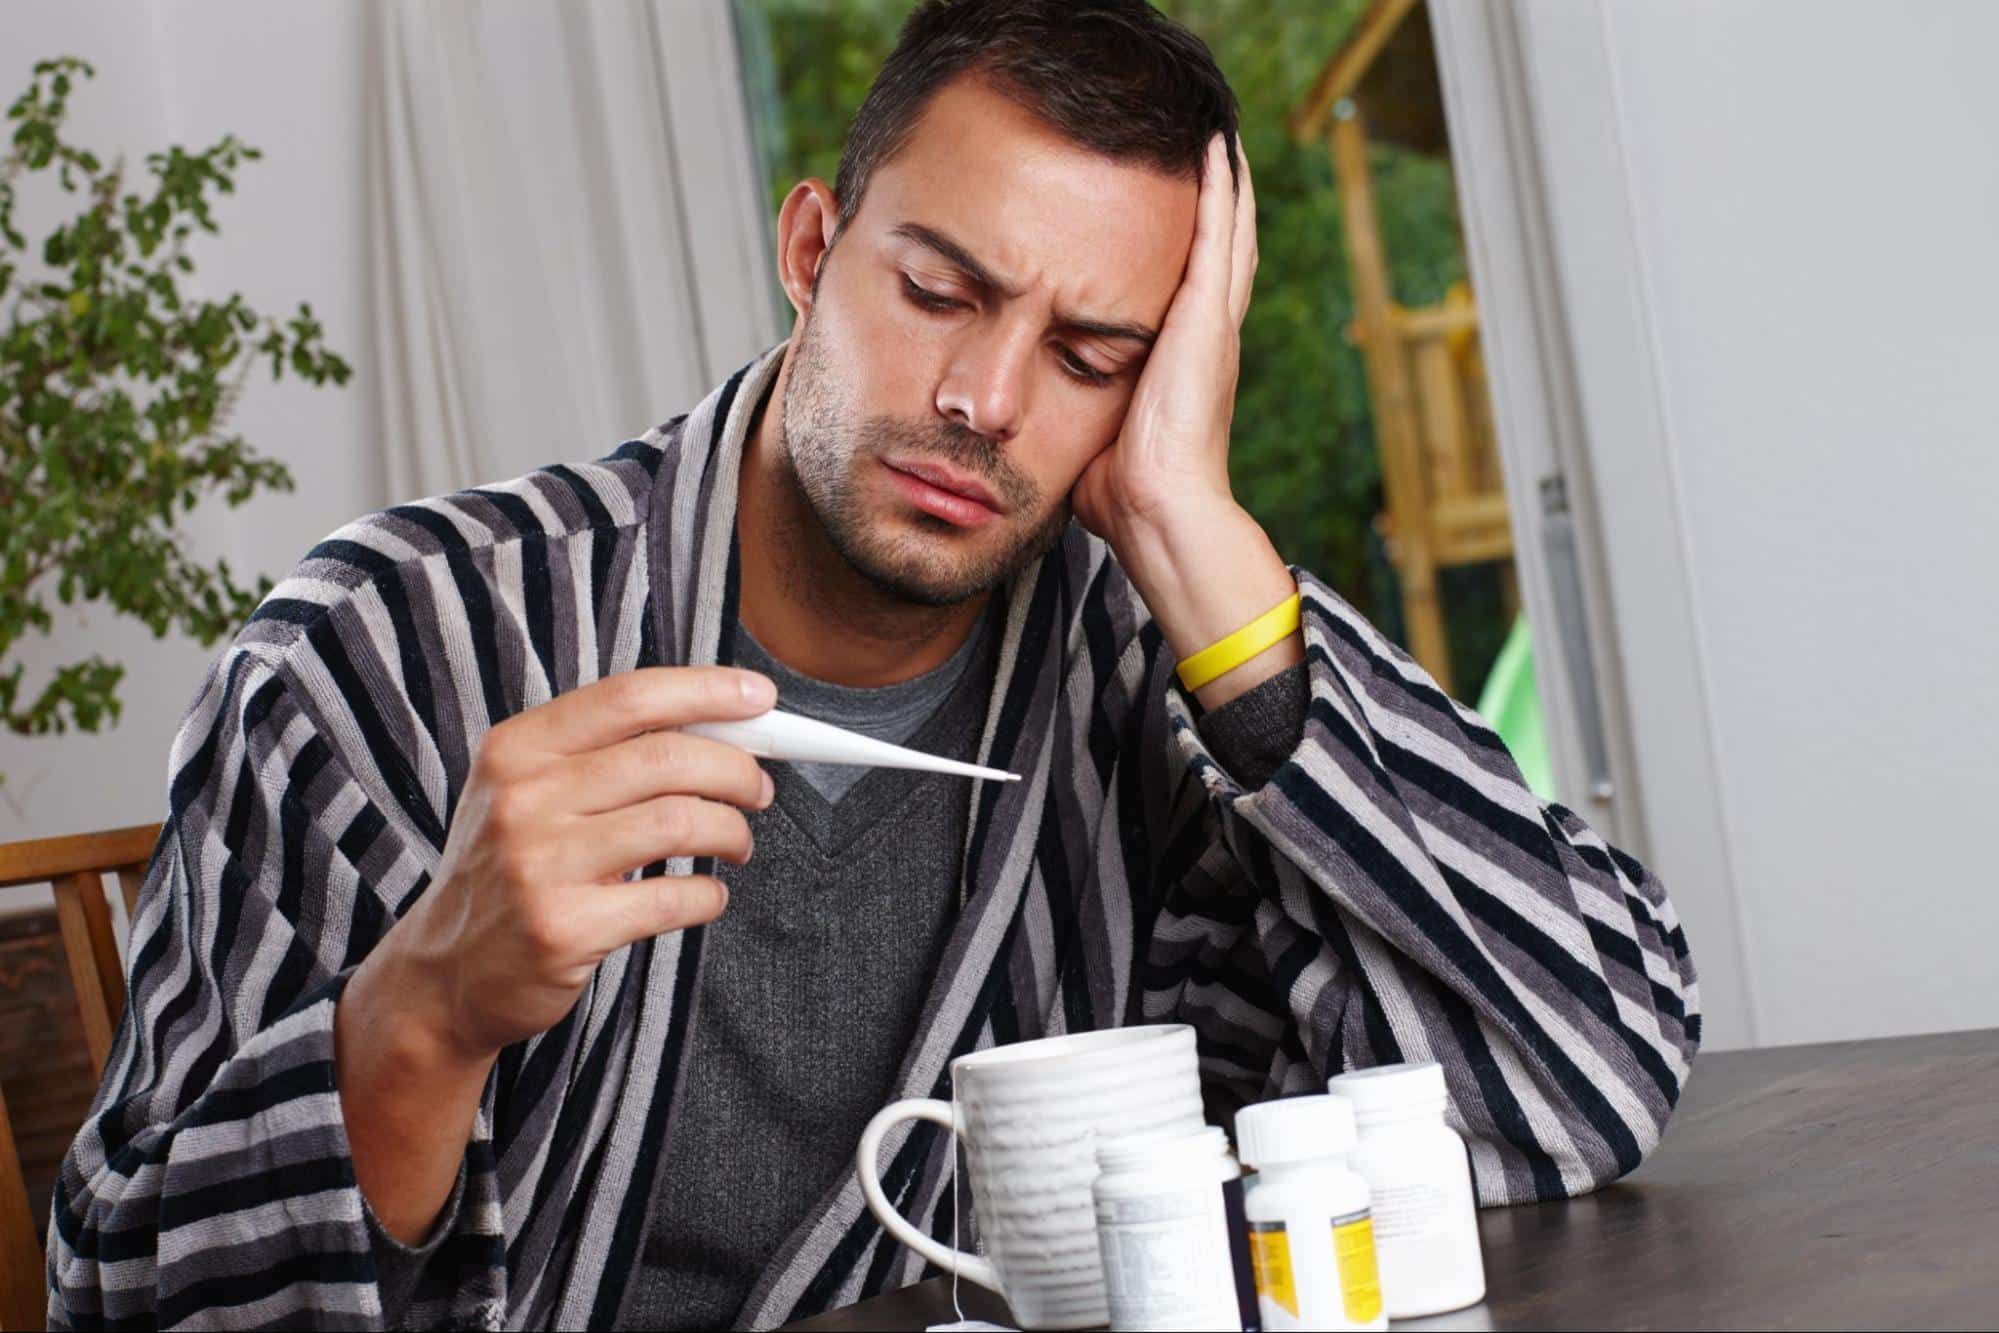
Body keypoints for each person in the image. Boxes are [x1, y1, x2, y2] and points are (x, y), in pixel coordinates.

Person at [48, 2, 1697, 1328]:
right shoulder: (387, 655)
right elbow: (115, 1290)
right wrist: (421, 1017)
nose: (986, 393)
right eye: (936, 289)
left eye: (1089, 354)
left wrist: (1202, 541)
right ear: (812, 245)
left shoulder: (1152, 695)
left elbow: (1576, 1073)